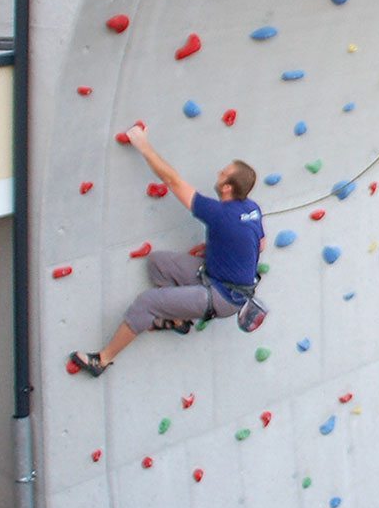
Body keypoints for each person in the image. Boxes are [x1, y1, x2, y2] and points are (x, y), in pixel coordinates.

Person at [69, 125, 265, 377]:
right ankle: (177, 319)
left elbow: (172, 181)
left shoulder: (219, 213)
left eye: (223, 173)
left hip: (223, 298)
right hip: (221, 279)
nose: (219, 173)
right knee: (157, 263)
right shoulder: (252, 208)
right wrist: (224, 250)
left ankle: (102, 360)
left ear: (227, 187)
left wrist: (142, 145)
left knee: (147, 302)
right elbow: (260, 244)